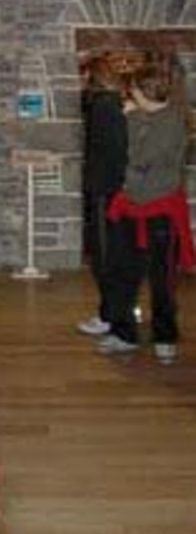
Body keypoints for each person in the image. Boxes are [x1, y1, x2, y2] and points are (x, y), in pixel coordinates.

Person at [98, 61, 194, 363]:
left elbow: (142, 157)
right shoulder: (135, 117)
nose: (131, 94)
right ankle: (123, 332)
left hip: (160, 209)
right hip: (131, 206)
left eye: (135, 89)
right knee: (121, 272)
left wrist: (130, 123)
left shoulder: (173, 121)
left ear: (145, 91)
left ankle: (165, 336)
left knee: (161, 278)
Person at [77, 54, 128, 336]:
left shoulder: (103, 106)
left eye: (83, 76)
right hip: (107, 187)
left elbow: (114, 150)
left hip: (104, 189)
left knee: (104, 254)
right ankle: (112, 312)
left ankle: (110, 315)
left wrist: (103, 184)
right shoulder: (109, 103)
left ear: (92, 76)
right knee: (105, 253)